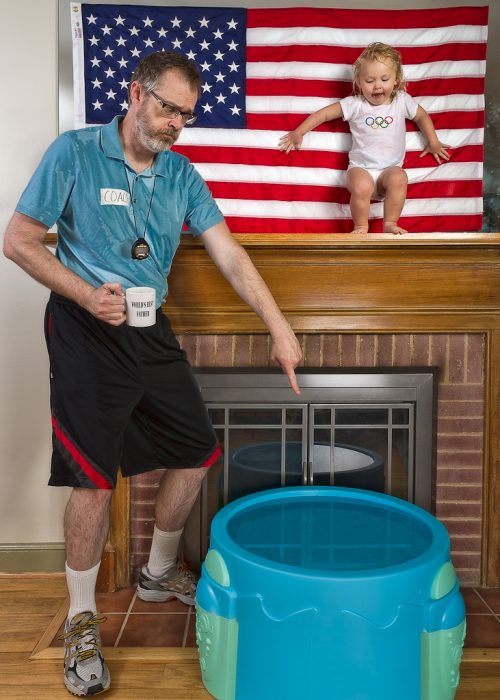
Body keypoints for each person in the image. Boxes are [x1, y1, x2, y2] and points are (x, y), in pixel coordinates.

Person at [3, 50, 302, 697]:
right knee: (91, 479)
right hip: (84, 330)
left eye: (187, 115)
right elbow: (18, 238)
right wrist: (86, 294)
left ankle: (158, 573)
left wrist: (277, 324)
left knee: (196, 450)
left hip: (149, 327)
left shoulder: (183, 176)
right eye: (168, 107)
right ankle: (82, 618)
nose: (176, 125)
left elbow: (229, 252)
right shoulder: (75, 152)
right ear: (136, 93)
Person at [278, 42, 450, 235]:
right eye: (369, 81)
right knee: (362, 186)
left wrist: (432, 141)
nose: (377, 86)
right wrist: (299, 132)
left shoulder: (401, 100)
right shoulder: (356, 104)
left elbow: (421, 116)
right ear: (359, 83)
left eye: (384, 79)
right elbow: (324, 114)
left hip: (389, 170)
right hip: (361, 168)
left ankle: (390, 223)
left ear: (396, 80)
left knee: (399, 178)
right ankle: (361, 226)